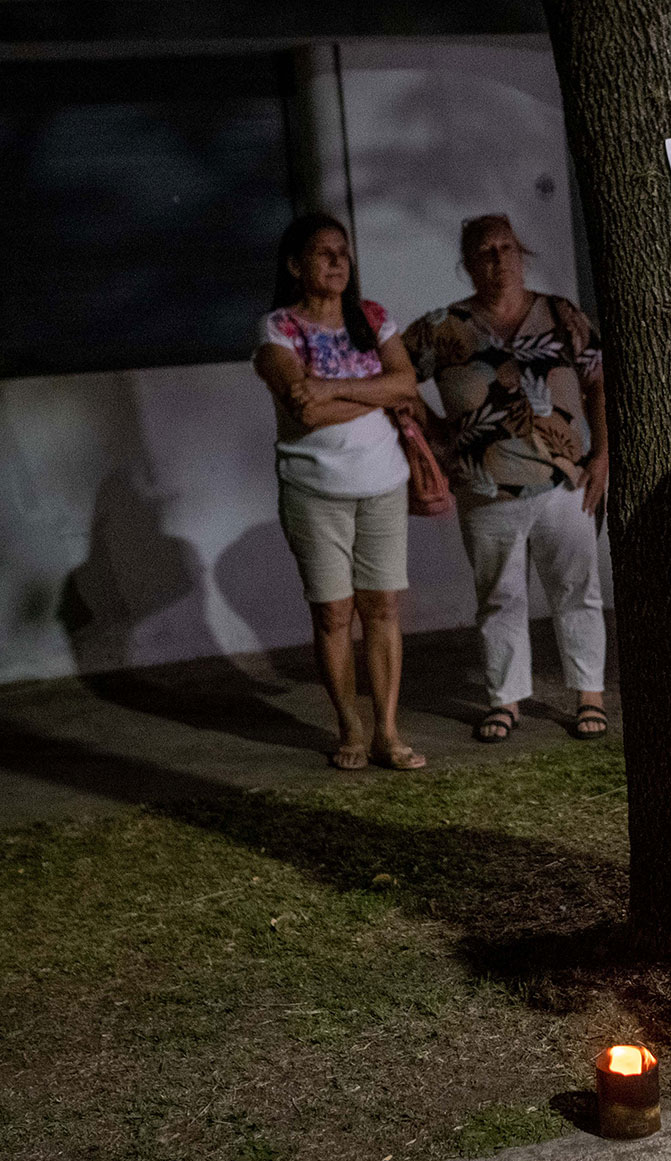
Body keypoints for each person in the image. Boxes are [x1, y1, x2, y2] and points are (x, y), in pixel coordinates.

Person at [402, 215, 610, 744]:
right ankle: (505, 700)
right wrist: (437, 434)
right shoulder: (441, 327)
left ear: (523, 253)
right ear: (468, 264)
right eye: (485, 252)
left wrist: (603, 455)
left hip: (565, 481)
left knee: (577, 590)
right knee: (499, 596)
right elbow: (395, 380)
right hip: (484, 485)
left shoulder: (562, 316)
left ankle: (589, 696)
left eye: (506, 248)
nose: (499, 260)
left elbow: (599, 384)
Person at [253, 213, 427, 772]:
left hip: (383, 483)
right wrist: (376, 392)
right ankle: (349, 726)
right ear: (296, 265)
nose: (337, 263)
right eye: (324, 254)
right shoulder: (279, 329)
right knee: (333, 613)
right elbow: (304, 412)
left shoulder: (372, 318)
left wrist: (333, 387)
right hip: (314, 489)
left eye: (343, 253)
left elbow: (409, 383)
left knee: (383, 607)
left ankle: (388, 731)